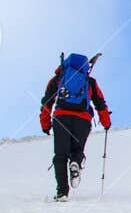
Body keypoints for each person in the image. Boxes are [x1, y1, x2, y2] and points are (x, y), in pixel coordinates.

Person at [40, 53, 110, 201]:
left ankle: (62, 192)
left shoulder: (58, 80)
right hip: (83, 120)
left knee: (60, 155)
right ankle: (76, 162)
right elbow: (100, 103)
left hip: (61, 118)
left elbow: (47, 103)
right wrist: (106, 122)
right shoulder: (89, 82)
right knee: (77, 150)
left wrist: (45, 124)